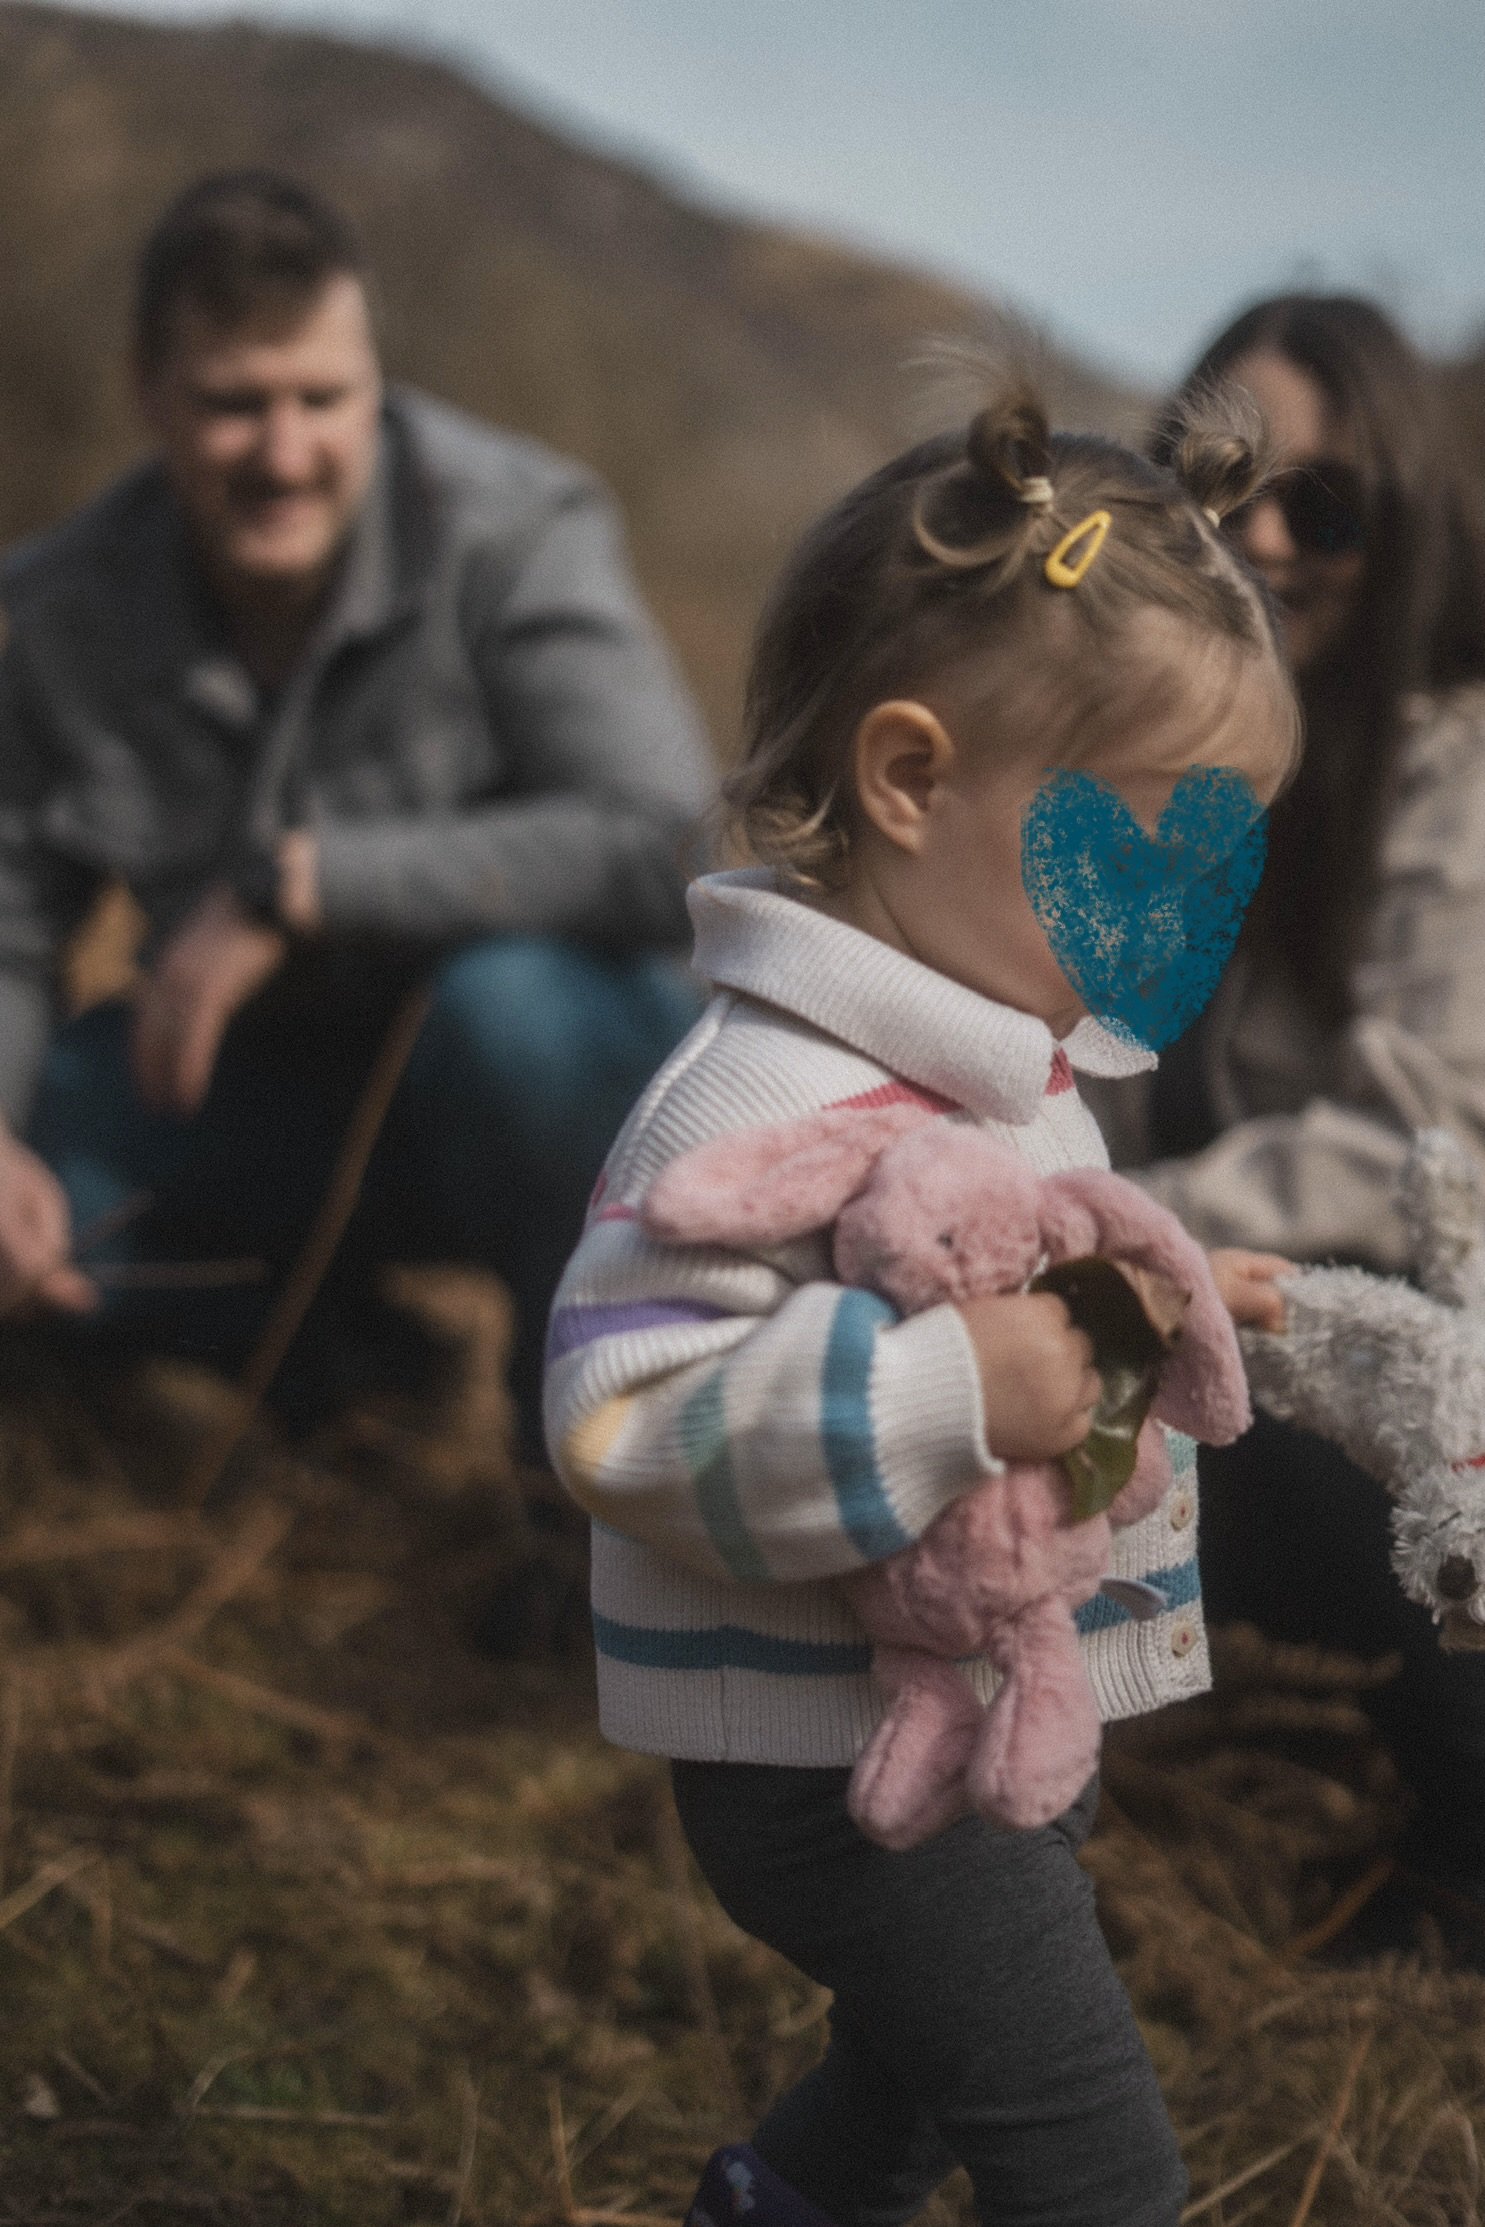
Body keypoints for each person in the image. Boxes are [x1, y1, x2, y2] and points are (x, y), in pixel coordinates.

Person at [545, 377, 1297, 2227]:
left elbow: (1013, 1234)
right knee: (1085, 2145)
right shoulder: (750, 1095)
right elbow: (625, 1414)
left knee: (920, 2075)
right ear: (909, 779)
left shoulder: (1008, 1040)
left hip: (997, 1693)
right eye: (1145, 845)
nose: (1183, 913)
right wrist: (949, 1393)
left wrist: (1160, 1268)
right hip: (830, 1747)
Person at [0, 171, 712, 1446]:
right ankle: (345, 1372)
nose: (284, 455)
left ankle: (596, 1482)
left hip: (516, 1084)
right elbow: (7, 934)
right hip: (246, 1094)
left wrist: (302, 884)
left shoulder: (518, 527)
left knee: (525, 1017)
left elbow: (662, 841)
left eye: (320, 400)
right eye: (232, 406)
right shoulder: (55, 614)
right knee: (44, 1137)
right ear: (145, 394)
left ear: (370, 381)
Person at [1085, 295, 1485, 1944]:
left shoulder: (1459, 769)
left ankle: (1461, 1845)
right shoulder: (1171, 769)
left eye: (1318, 504)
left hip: (1426, 1354)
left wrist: (1118, 1222)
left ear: (1406, 531)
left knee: (1308, 1386)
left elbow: (1431, 1141)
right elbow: (1085, 1052)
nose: (1256, 534)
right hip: (1238, 1307)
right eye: (1214, 479)